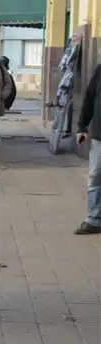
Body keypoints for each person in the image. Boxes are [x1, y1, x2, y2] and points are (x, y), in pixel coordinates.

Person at [75, 64, 101, 235]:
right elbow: (90, 98)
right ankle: (93, 219)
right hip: (100, 136)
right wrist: (82, 126)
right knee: (95, 176)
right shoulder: (100, 70)